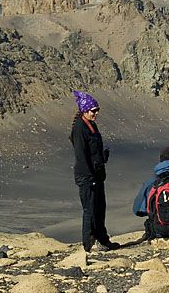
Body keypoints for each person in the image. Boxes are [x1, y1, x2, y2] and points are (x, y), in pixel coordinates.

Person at [70, 91, 119, 252]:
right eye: (93, 110)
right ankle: (89, 244)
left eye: (97, 110)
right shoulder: (79, 129)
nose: (96, 113)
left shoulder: (92, 126)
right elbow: (81, 156)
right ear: (85, 111)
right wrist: (90, 176)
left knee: (99, 208)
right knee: (89, 210)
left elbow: (93, 151)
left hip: (97, 175)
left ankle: (103, 240)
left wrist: (102, 157)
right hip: (87, 176)